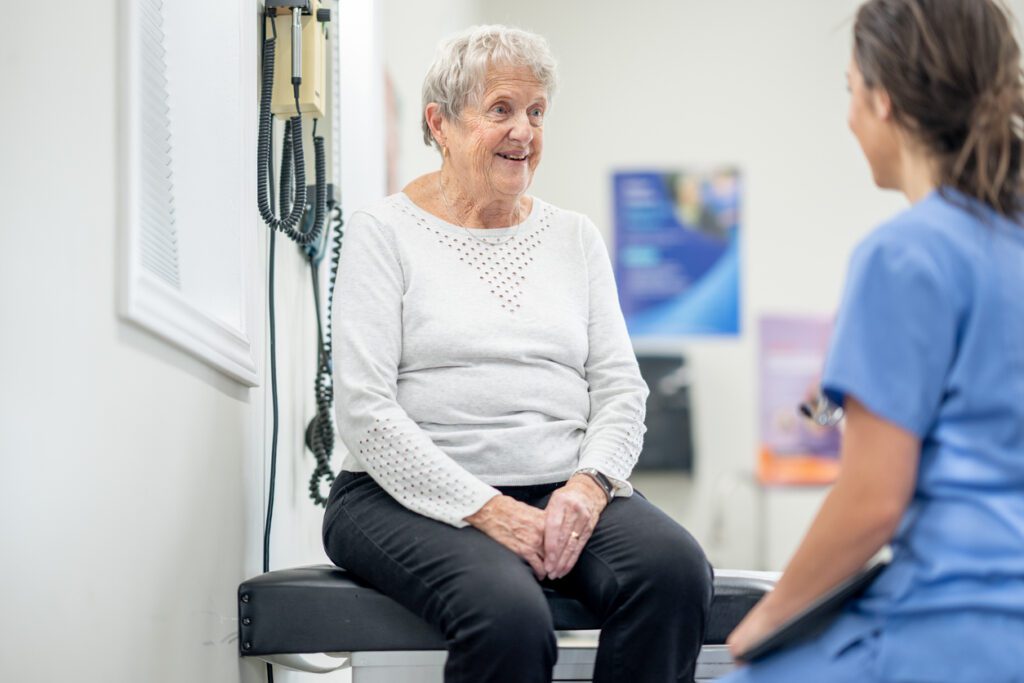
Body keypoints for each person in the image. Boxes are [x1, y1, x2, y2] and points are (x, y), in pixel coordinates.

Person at [321, 25, 713, 683]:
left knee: (674, 571)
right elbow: (363, 410)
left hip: (559, 480)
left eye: (536, 112)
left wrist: (589, 485)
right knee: (508, 614)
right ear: (439, 123)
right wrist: (487, 508)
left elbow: (621, 388)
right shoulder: (383, 232)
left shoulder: (574, 237)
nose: (524, 132)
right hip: (399, 494)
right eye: (501, 109)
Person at [722, 0, 1024, 681]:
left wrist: (762, 626)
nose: (849, 115)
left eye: (850, 90)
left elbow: (872, 501)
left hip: (953, 622)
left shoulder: (901, 255)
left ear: (883, 100)